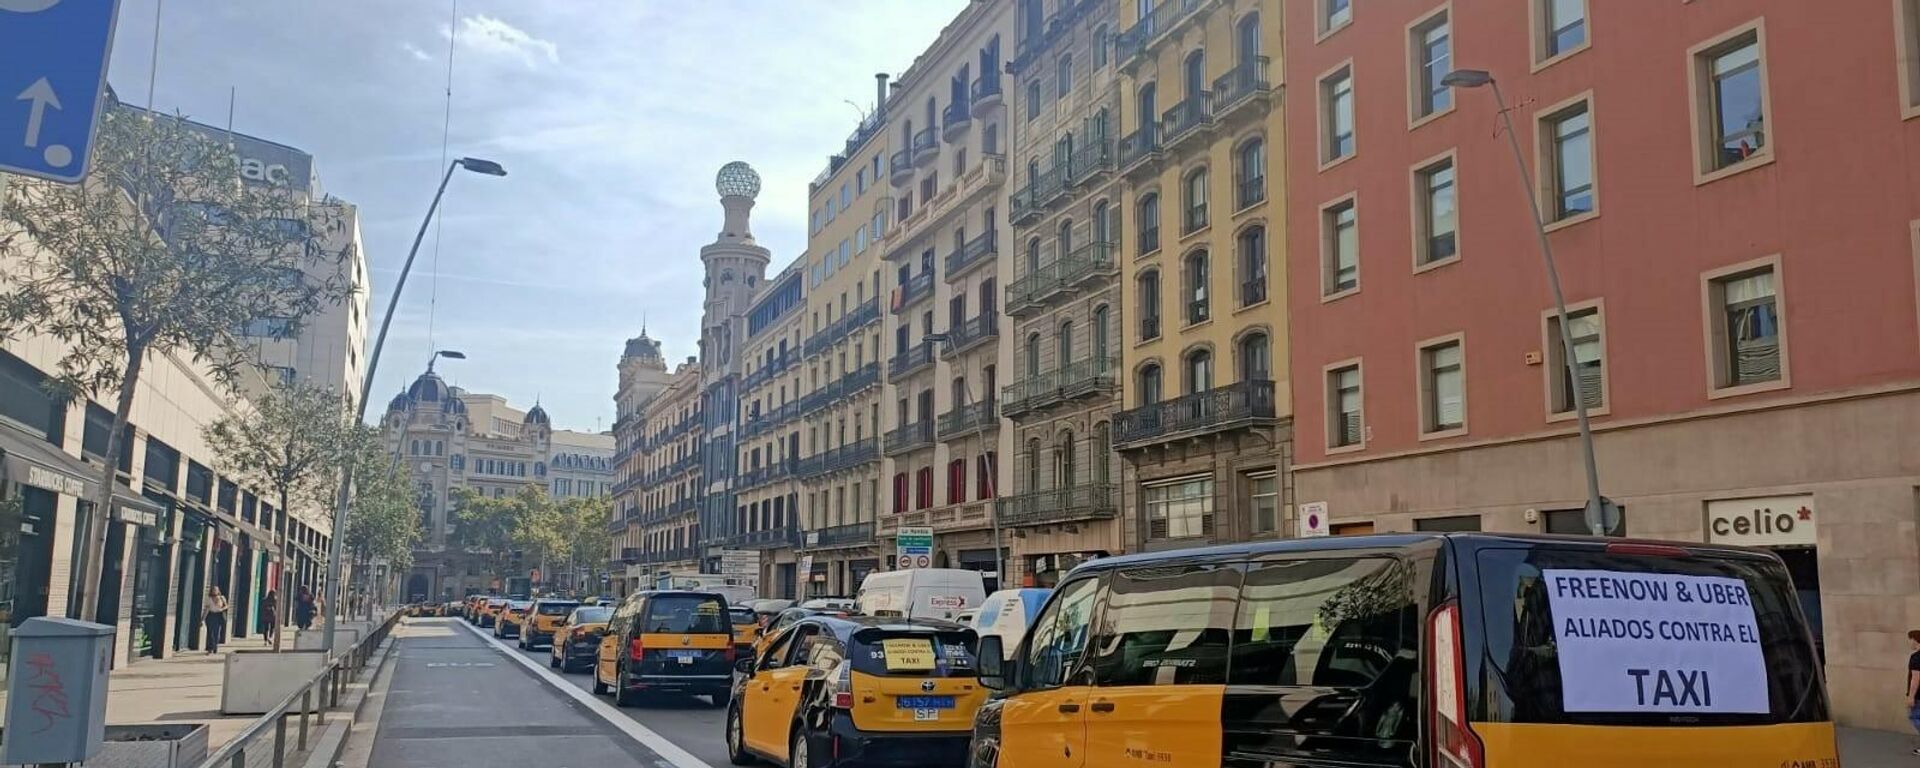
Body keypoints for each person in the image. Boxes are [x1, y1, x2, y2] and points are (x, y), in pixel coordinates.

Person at [203, 587, 229, 654]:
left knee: (217, 633)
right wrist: (202, 619)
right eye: (213, 590)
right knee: (210, 632)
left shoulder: (222, 598)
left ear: (218, 591)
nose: (214, 591)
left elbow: (226, 606)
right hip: (211, 615)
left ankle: (215, 647)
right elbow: (207, 609)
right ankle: (210, 648)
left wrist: (222, 609)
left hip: (218, 616)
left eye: (216, 590)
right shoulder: (209, 599)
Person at [1908, 629, 1920, 755]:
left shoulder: (1916, 657)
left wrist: (1911, 696)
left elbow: (1915, 678)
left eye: (1910, 640)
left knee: (1915, 717)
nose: (1910, 643)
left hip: (1919, 695)